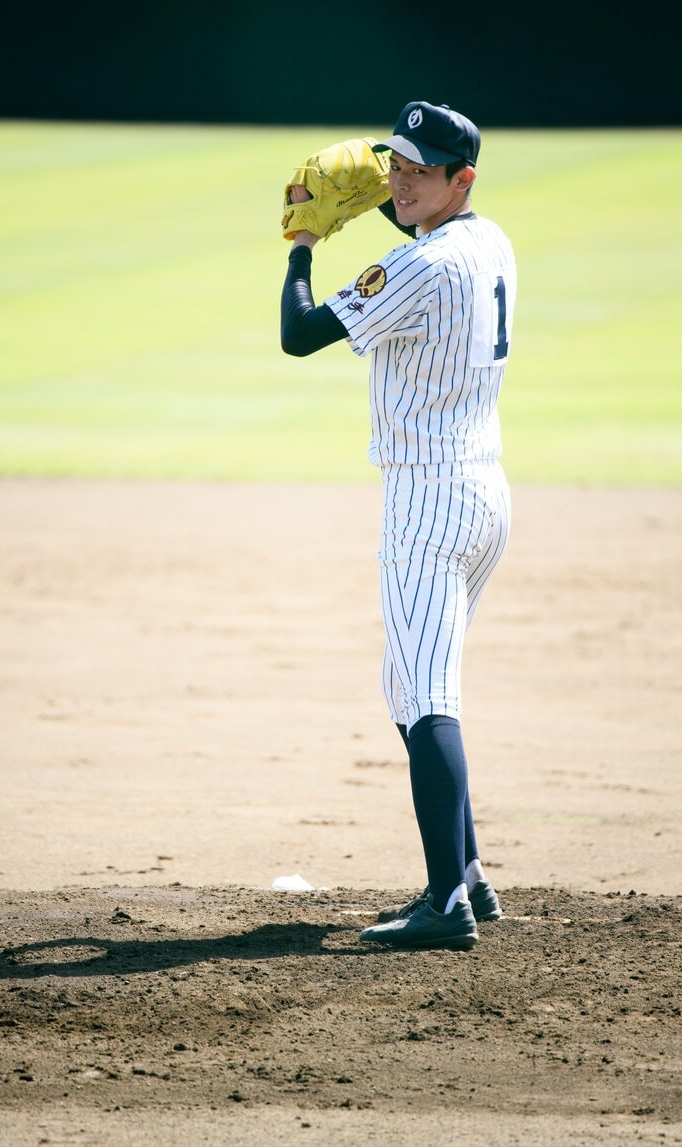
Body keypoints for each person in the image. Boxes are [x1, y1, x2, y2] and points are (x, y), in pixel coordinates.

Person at [280, 100, 517, 951]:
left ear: (464, 180)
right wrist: (387, 198)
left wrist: (303, 245)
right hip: (485, 493)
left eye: (421, 171)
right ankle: (472, 877)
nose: (400, 181)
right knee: (411, 685)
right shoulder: (488, 242)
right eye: (397, 165)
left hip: (428, 501)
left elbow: (299, 335)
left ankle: (444, 902)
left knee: (424, 698)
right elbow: (421, 226)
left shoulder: (419, 269)